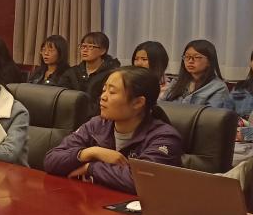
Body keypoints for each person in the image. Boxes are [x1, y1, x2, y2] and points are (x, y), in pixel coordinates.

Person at [44, 67, 183, 193]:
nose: (103, 97)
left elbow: (140, 181)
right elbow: (51, 160)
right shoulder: (97, 125)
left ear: (138, 102)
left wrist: (91, 168)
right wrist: (91, 152)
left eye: (112, 92)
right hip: (94, 203)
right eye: (104, 90)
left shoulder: (164, 137)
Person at [59, 31, 120, 116]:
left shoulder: (112, 74)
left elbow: (106, 102)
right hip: (71, 116)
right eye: (83, 46)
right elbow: (62, 96)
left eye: (90, 47)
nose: (85, 50)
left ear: (103, 51)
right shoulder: (72, 72)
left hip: (99, 117)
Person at [160, 39, 233, 109]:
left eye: (197, 57)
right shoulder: (176, 82)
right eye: (187, 57)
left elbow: (211, 115)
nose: (190, 61)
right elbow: (160, 106)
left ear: (209, 61)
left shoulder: (219, 88)